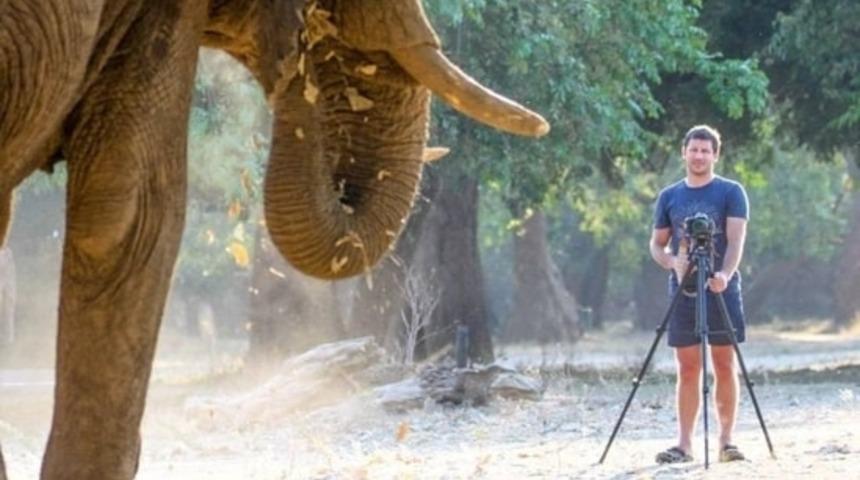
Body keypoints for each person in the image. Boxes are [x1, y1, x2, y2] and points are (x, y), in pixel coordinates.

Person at [649, 125, 749, 464]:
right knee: (687, 367)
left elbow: (736, 241)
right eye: (694, 149)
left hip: (722, 288)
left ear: (715, 155)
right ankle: (684, 444)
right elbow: (657, 242)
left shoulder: (731, 192)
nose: (699, 155)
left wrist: (723, 274)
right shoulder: (669, 196)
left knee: (724, 362)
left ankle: (727, 442)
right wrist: (670, 262)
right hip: (684, 289)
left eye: (706, 150)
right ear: (684, 152)